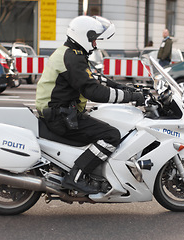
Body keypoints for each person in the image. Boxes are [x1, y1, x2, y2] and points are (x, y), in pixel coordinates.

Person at [35, 16, 144, 194]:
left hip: (61, 112)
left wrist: (128, 88)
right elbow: (93, 91)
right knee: (111, 135)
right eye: (93, 40)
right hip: (60, 117)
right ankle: (76, 176)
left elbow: (96, 79)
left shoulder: (71, 53)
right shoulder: (72, 57)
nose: (95, 44)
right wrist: (130, 97)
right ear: (83, 36)